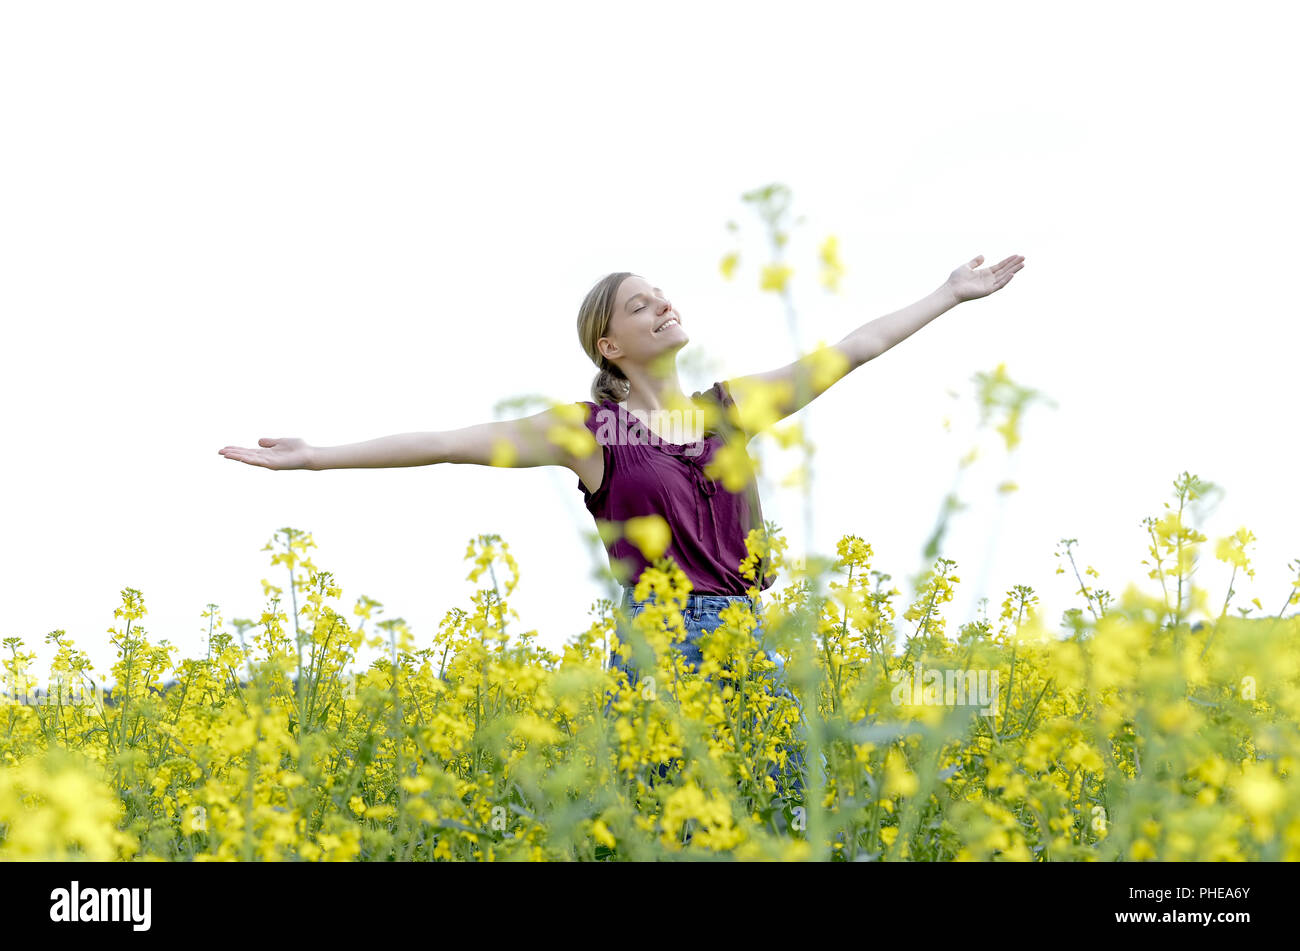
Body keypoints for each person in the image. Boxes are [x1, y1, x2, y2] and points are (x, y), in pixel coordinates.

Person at [217, 256, 1026, 799]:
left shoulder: (729, 410)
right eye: (640, 306)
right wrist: (315, 458)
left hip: (748, 627)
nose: (662, 306)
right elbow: (445, 445)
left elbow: (855, 348)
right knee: (685, 810)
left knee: (784, 797)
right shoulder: (588, 431)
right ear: (609, 342)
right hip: (663, 637)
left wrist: (950, 294)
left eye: (662, 295)